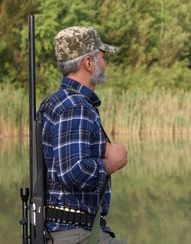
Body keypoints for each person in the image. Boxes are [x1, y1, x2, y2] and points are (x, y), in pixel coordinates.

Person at [40, 26, 128, 244]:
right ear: (88, 63)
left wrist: (100, 148)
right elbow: (73, 171)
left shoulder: (56, 101)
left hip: (73, 230)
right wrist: (112, 163)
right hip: (76, 233)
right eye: (102, 57)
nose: (105, 64)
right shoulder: (75, 106)